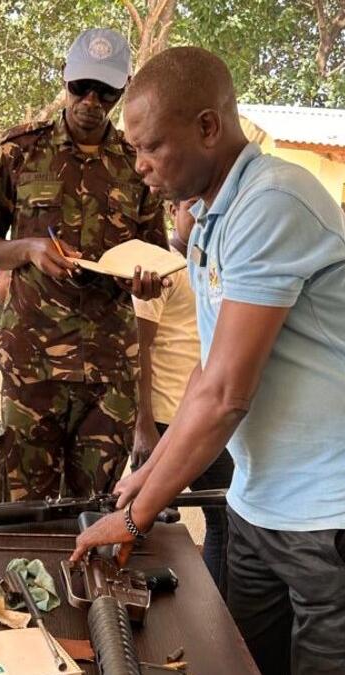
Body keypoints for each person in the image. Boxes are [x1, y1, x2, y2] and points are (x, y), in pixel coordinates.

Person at [71, 47, 345, 675]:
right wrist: (148, 474)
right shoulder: (210, 221)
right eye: (134, 150)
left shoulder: (275, 200)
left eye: (151, 147)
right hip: (261, 505)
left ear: (207, 127)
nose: (140, 167)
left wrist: (135, 519)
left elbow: (226, 396)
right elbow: (206, 373)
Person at [0, 28, 167, 502]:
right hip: (32, 365)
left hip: (109, 372)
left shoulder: (136, 163)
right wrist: (28, 250)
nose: (91, 102)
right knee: (22, 514)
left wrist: (147, 281)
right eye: (82, 87)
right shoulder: (19, 151)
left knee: (93, 511)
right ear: (65, 77)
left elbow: (157, 256)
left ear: (123, 89)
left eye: (106, 92)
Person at [132, 197, 233, 592]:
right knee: (156, 523)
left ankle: (214, 610)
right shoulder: (157, 269)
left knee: (221, 517)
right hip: (164, 419)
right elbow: (139, 348)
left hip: (200, 415)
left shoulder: (206, 265)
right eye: (193, 205)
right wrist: (143, 426)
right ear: (172, 210)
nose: (203, 213)